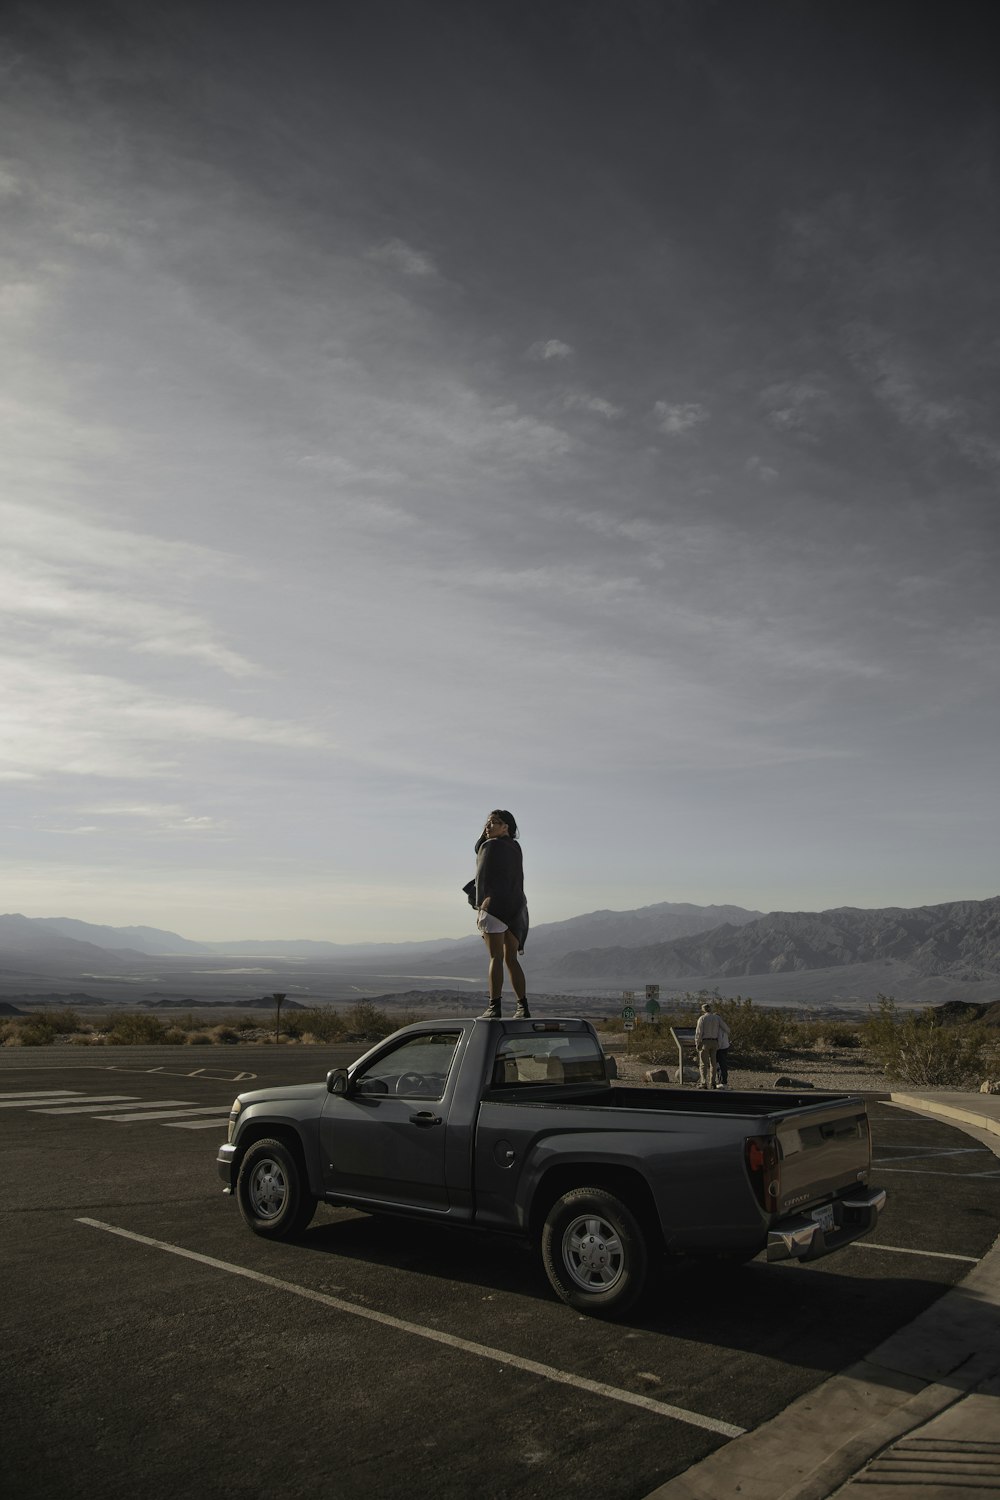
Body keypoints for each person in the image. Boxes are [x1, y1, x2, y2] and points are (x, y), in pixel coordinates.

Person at [464, 809, 530, 1019]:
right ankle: (522, 1007)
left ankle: (494, 1007)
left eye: (495, 822)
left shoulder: (488, 846)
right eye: (488, 823)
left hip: (494, 908)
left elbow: (482, 879)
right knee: (511, 959)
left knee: (496, 957)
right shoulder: (516, 847)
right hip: (517, 908)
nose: (488, 826)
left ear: (506, 827)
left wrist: (479, 906)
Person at [694, 1001, 721, 1089]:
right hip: (714, 1042)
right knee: (713, 1063)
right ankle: (712, 1082)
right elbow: (719, 1032)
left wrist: (697, 1043)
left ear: (703, 1010)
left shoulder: (702, 1018)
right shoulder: (717, 1018)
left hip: (705, 1042)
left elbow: (699, 1032)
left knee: (703, 1064)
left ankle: (704, 1082)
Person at [715, 1015, 731, 1088]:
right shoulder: (724, 1027)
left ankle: (722, 1081)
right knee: (723, 1065)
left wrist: (717, 1048)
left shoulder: (718, 1028)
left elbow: (720, 1039)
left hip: (720, 1048)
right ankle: (723, 1081)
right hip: (725, 1047)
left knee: (719, 1065)